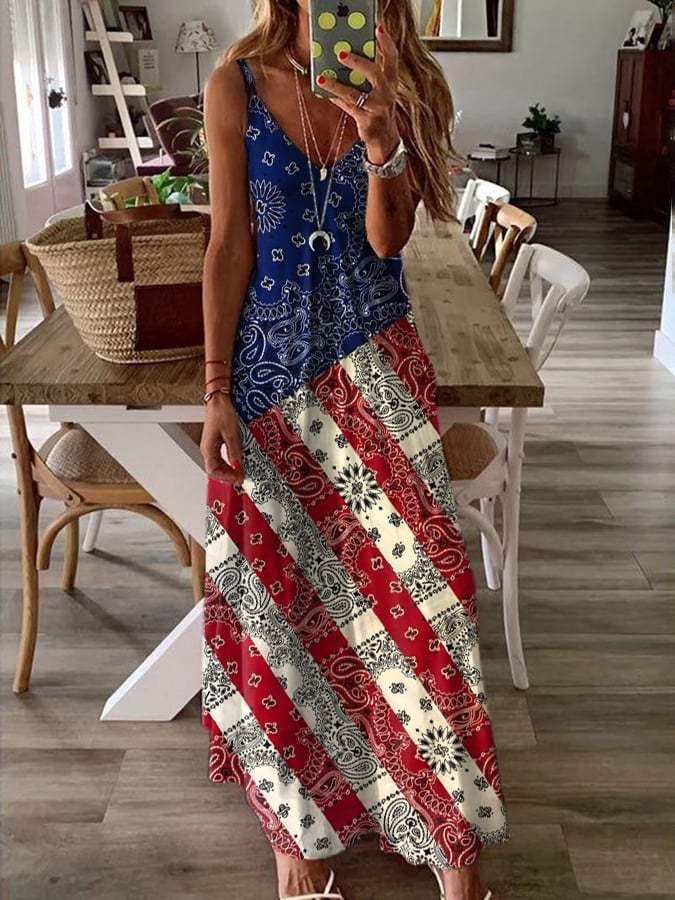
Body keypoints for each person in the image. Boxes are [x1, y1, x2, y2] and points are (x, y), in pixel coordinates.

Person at [199, 2, 509, 898]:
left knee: (420, 599)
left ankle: (451, 841)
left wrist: (380, 139)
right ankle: (296, 838)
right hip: (266, 372)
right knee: (279, 604)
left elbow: (385, 239)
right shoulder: (235, 85)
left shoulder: (398, 84)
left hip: (377, 368)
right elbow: (229, 243)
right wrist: (215, 389)